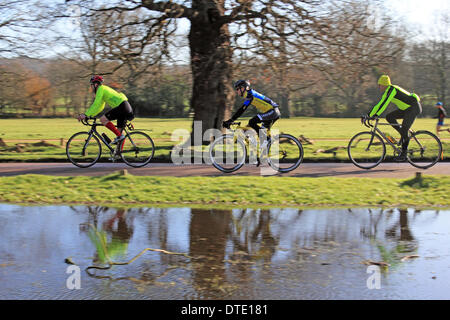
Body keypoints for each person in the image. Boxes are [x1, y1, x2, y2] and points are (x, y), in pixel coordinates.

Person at [368, 75, 422, 161]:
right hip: (406, 109)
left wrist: (376, 115)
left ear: (384, 84)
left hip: (413, 107)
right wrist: (369, 115)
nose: (379, 87)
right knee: (389, 117)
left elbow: (384, 104)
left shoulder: (392, 90)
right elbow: (379, 104)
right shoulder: (387, 92)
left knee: (404, 130)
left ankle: (404, 153)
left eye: (380, 85)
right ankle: (403, 134)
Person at [77, 75, 134, 144]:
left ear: (96, 84)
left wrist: (85, 114)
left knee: (103, 119)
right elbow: (100, 106)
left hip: (122, 107)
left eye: (92, 85)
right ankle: (118, 154)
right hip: (124, 107)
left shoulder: (100, 89)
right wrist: (90, 115)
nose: (91, 87)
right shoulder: (103, 90)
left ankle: (120, 136)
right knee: (119, 133)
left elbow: (96, 103)